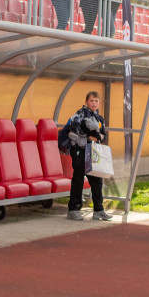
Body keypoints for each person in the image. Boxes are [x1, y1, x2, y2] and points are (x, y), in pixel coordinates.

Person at [65, 91, 111, 221]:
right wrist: (90, 136)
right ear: (86, 102)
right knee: (78, 178)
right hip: (79, 149)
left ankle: (98, 210)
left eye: (96, 101)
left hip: (93, 151)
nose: (94, 103)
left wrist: (99, 136)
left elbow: (103, 135)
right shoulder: (79, 114)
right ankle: (73, 209)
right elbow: (74, 127)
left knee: (96, 179)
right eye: (91, 100)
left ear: (99, 103)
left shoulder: (99, 118)